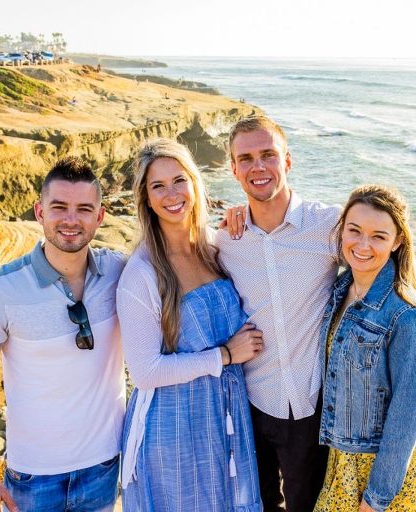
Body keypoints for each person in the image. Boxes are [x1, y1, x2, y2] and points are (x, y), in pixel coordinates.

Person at [0, 157, 126, 512]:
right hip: (33, 479)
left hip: (105, 469)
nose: (70, 220)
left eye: (83, 209)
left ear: (100, 216)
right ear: (39, 212)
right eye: (59, 207)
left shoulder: (120, 273)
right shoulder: (1, 289)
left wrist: (233, 224)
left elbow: (179, 256)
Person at [118, 138, 264, 512]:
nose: (171, 194)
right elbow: (146, 371)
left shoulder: (216, 248)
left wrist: (246, 215)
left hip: (227, 419)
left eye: (179, 180)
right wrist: (226, 355)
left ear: (196, 184)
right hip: (173, 429)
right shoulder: (142, 273)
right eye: (158, 186)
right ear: (146, 199)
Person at [216, 115, 341, 512]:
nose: (258, 167)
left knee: (309, 504)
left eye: (268, 155)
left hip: (312, 405)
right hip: (251, 402)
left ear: (287, 161)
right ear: (233, 169)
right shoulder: (225, 239)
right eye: (246, 158)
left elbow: (381, 243)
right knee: (256, 504)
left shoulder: (329, 225)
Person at [314, 185, 416, 512]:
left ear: (397, 241)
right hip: (340, 466)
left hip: (385, 481)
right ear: (342, 229)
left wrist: (375, 499)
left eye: (379, 236)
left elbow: (406, 418)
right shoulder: (340, 289)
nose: (363, 245)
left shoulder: (410, 316)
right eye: (354, 231)